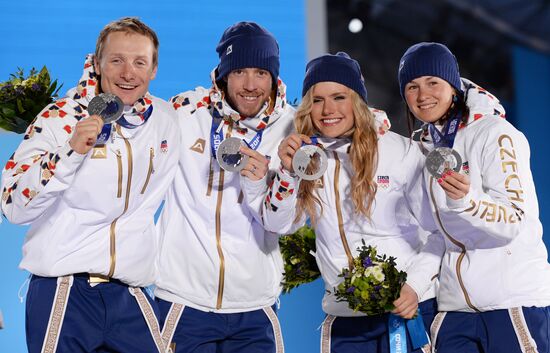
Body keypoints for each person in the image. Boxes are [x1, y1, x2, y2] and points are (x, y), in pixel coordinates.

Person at [1, 17, 179, 353]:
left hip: (131, 294)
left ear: (153, 70)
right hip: (66, 291)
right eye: (117, 60)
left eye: (139, 62)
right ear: (96, 63)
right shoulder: (59, 117)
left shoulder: (166, 120)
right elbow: (13, 204)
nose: (129, 73)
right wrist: (69, 152)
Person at [262, 52, 444, 353]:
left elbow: (440, 231)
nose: (328, 109)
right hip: (344, 321)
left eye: (339, 97)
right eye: (317, 99)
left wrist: (415, 285)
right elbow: (279, 224)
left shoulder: (401, 152)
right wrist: (287, 172)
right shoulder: (307, 157)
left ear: (357, 101)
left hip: (405, 312)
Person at [398, 42, 550, 353]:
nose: (422, 95)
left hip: (512, 302)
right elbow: (438, 236)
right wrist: (414, 285)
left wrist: (468, 201)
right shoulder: (425, 149)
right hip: (456, 309)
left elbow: (514, 220)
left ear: (453, 86)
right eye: (412, 86)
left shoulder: (495, 134)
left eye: (432, 83)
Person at [155, 21, 295, 353]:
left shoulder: (292, 127)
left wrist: (265, 182)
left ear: (274, 77)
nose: (250, 85)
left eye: (260, 73)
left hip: (255, 304)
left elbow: (282, 224)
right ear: (223, 75)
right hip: (182, 300)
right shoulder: (183, 112)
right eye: (239, 72)